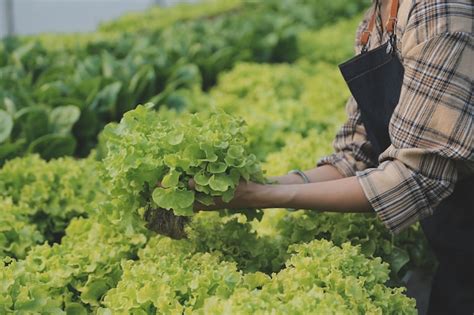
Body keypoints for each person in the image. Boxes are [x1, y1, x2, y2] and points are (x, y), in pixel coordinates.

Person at [190, 0, 473, 314]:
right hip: (454, 242)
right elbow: (355, 157)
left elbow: (414, 176)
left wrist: (261, 195)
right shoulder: (375, 22)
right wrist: (250, 185)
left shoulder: (440, 14)